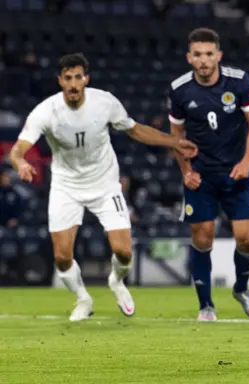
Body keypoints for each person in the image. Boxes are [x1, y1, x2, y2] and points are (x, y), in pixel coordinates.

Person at [8, 53, 198, 321]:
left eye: (78, 77)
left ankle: (116, 282)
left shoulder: (105, 102)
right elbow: (17, 150)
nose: (73, 84)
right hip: (66, 186)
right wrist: (21, 165)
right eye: (68, 78)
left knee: (123, 251)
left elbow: (134, 130)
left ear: (86, 78)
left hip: (105, 183)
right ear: (60, 81)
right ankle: (83, 299)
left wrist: (173, 142)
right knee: (62, 257)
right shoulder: (45, 111)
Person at [168, 28, 249, 322]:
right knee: (203, 237)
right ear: (189, 57)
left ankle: (242, 288)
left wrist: (247, 162)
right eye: (198, 55)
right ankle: (205, 305)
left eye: (209, 54)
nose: (204, 60)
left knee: (247, 238)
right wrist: (186, 171)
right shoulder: (179, 89)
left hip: (236, 172)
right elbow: (176, 136)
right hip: (201, 177)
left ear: (219, 55)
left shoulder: (239, 81)